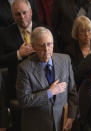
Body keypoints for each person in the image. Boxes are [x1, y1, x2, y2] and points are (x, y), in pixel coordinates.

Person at [16, 27, 77, 131]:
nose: (46, 49)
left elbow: (72, 92)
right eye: (42, 45)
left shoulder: (65, 60)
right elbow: (23, 100)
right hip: (37, 125)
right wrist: (50, 92)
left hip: (61, 123)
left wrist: (71, 116)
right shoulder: (24, 68)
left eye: (49, 44)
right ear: (33, 46)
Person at [0, 0, 38, 130]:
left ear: (31, 12)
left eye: (24, 13)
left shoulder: (44, 30)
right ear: (12, 16)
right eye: (17, 14)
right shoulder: (4, 34)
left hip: (42, 85)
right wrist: (18, 54)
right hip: (17, 87)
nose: (21, 17)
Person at [65, 15, 91, 88]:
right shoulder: (70, 51)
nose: (87, 34)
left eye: (89, 30)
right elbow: (74, 76)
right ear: (76, 33)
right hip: (80, 87)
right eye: (82, 31)